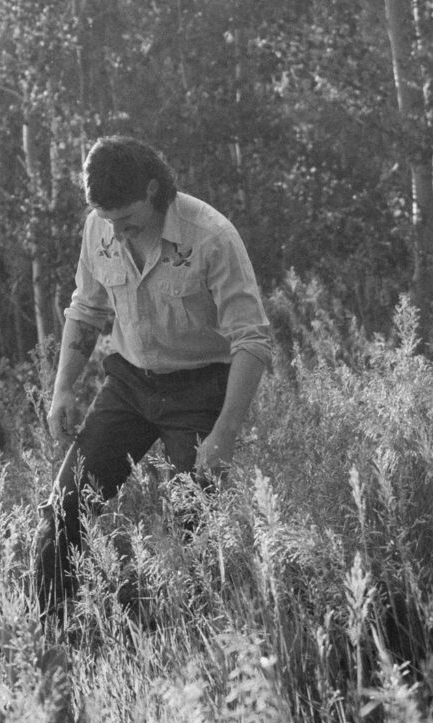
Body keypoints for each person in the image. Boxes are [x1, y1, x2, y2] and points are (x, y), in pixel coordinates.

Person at [35, 134, 271, 624]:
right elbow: (86, 310)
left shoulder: (211, 236)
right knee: (63, 510)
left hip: (201, 388)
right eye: (108, 222)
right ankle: (51, 634)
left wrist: (224, 433)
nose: (117, 235)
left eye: (126, 221)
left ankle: (194, 637)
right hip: (128, 386)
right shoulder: (99, 228)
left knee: (196, 531)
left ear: (151, 190)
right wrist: (62, 390)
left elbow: (251, 341)